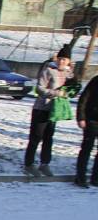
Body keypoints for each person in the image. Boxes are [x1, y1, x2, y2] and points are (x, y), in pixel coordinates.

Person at [24, 44, 74, 177]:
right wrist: (56, 93)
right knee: (36, 137)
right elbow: (40, 89)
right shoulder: (48, 70)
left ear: (69, 61)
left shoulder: (69, 74)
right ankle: (29, 164)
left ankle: (45, 164)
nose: (62, 61)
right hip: (42, 108)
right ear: (57, 59)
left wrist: (70, 92)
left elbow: (71, 90)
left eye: (65, 59)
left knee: (48, 138)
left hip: (55, 110)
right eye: (60, 59)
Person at [75, 74, 98, 188]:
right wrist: (81, 117)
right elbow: (84, 99)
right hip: (92, 120)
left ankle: (96, 178)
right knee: (87, 148)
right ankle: (80, 177)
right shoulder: (96, 81)